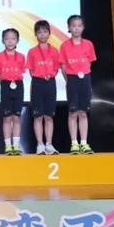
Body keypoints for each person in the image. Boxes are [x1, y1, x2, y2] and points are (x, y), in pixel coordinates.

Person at [60, 14, 97, 154]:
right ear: (69, 28)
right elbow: (63, 66)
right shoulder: (64, 46)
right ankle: (74, 143)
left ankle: (84, 143)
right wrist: (69, 80)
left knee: (83, 112)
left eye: (79, 26)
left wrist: (83, 75)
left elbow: (90, 63)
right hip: (72, 80)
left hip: (85, 79)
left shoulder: (88, 44)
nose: (76, 28)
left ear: (83, 27)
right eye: (74, 26)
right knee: (73, 112)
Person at [27, 20, 60, 155]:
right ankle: (40, 144)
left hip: (50, 83)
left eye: (45, 31)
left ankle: (49, 144)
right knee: (38, 116)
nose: (42, 34)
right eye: (39, 32)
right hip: (37, 84)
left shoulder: (54, 51)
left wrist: (49, 75)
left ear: (49, 33)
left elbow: (56, 68)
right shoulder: (32, 52)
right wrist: (40, 76)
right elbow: (30, 70)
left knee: (49, 116)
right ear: (36, 34)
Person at [0, 29, 26, 155]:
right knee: (7, 117)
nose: (10, 41)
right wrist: (5, 84)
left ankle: (16, 145)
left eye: (13, 38)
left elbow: (22, 72)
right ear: (3, 41)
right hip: (5, 86)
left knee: (16, 117)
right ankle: (8, 146)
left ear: (17, 41)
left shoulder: (21, 57)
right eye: (7, 39)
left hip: (18, 86)